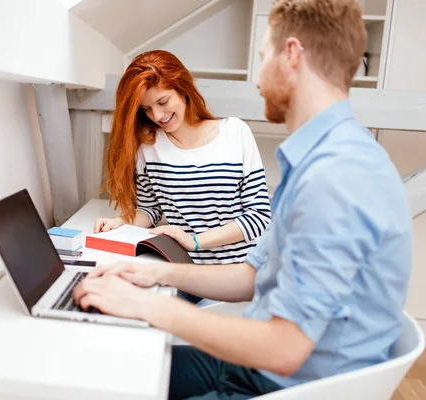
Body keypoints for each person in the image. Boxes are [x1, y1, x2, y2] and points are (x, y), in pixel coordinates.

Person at [73, 0, 413, 399]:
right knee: (112, 367)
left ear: (291, 55)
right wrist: (155, 275)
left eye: (263, 56)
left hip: (281, 384)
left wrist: (149, 307)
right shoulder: (319, 162)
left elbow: (285, 349)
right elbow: (252, 277)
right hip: (254, 366)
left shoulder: (335, 178)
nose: (256, 77)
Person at [95, 50, 271, 303]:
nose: (157, 116)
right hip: (184, 273)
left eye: (163, 102)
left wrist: (196, 242)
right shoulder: (148, 147)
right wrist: (122, 223)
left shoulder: (235, 133)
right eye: (146, 109)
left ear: (183, 89)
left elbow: (259, 216)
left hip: (238, 276)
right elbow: (150, 209)